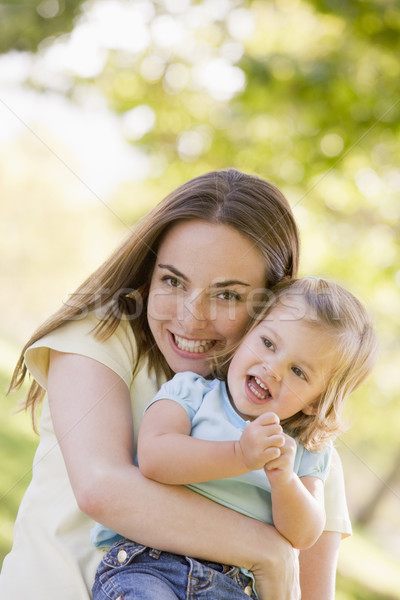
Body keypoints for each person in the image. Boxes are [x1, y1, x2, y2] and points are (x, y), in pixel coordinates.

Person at [1, 169, 348, 600]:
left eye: (227, 295)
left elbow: (314, 589)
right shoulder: (103, 335)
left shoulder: (300, 431)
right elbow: (102, 487)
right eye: (173, 281)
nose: (190, 316)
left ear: (270, 305)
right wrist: (266, 552)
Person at [91, 277, 378, 600]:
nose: (273, 369)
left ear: (315, 402)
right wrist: (240, 455)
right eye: (268, 344)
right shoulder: (192, 392)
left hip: (235, 587)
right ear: (246, 335)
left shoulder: (302, 451)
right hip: (152, 563)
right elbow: (155, 457)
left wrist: (284, 481)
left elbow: (304, 534)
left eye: (298, 372)